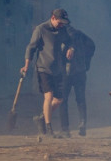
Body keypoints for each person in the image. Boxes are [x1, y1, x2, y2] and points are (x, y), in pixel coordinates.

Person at [21, 9, 74, 138]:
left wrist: (71, 48)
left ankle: (41, 118)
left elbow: (69, 41)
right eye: (60, 22)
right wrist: (26, 65)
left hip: (58, 69)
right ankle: (49, 128)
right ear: (53, 18)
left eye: (63, 23)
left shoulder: (62, 30)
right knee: (49, 96)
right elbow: (31, 47)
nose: (61, 25)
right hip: (43, 68)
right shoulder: (41, 29)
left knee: (59, 99)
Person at [59, 26, 95, 137]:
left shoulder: (62, 35)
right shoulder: (80, 34)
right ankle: (82, 123)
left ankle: (65, 129)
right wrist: (86, 63)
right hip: (81, 71)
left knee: (62, 99)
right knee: (80, 98)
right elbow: (92, 45)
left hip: (66, 73)